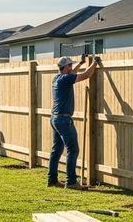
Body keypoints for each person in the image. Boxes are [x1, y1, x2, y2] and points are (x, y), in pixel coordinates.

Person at [47, 54, 98, 190]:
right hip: (64, 120)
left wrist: (81, 62)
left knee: (56, 150)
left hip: (55, 118)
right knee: (73, 149)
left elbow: (74, 72)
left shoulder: (57, 78)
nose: (72, 68)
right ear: (66, 67)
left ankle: (51, 180)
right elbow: (86, 75)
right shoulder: (66, 78)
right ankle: (71, 182)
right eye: (70, 66)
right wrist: (95, 63)